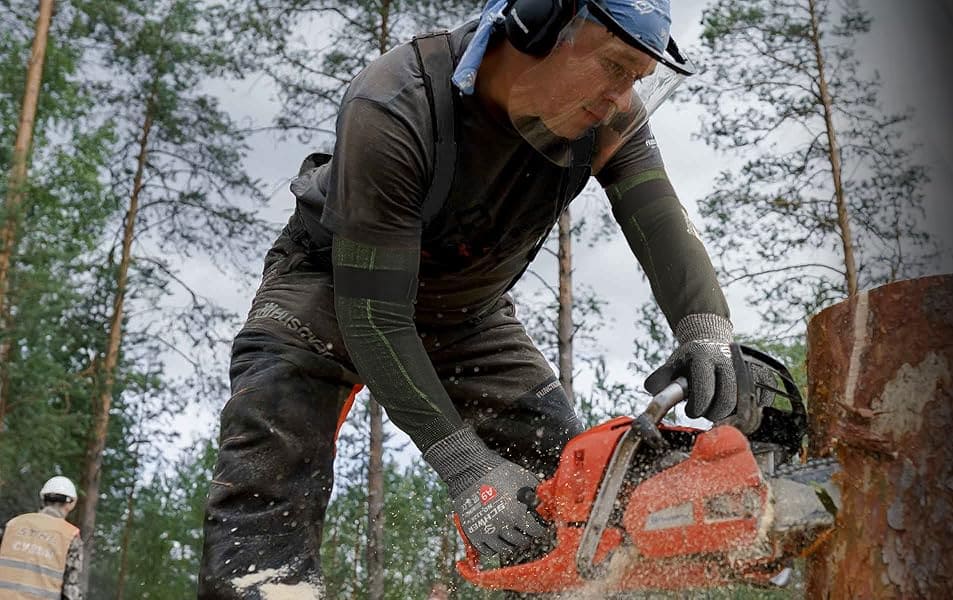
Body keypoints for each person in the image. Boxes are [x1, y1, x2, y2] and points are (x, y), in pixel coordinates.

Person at [199, 0, 749, 597]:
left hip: (468, 311)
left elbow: (659, 215)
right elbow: (374, 317)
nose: (622, 98)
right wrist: (465, 465)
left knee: (573, 484)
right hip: (330, 285)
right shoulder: (397, 104)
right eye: (615, 66)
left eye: (637, 78)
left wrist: (705, 326)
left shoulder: (609, 118)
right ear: (538, 25)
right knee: (273, 446)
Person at [0, 476, 85, 599]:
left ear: (43, 500)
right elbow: (70, 589)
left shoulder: (13, 524)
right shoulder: (69, 535)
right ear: (71, 504)